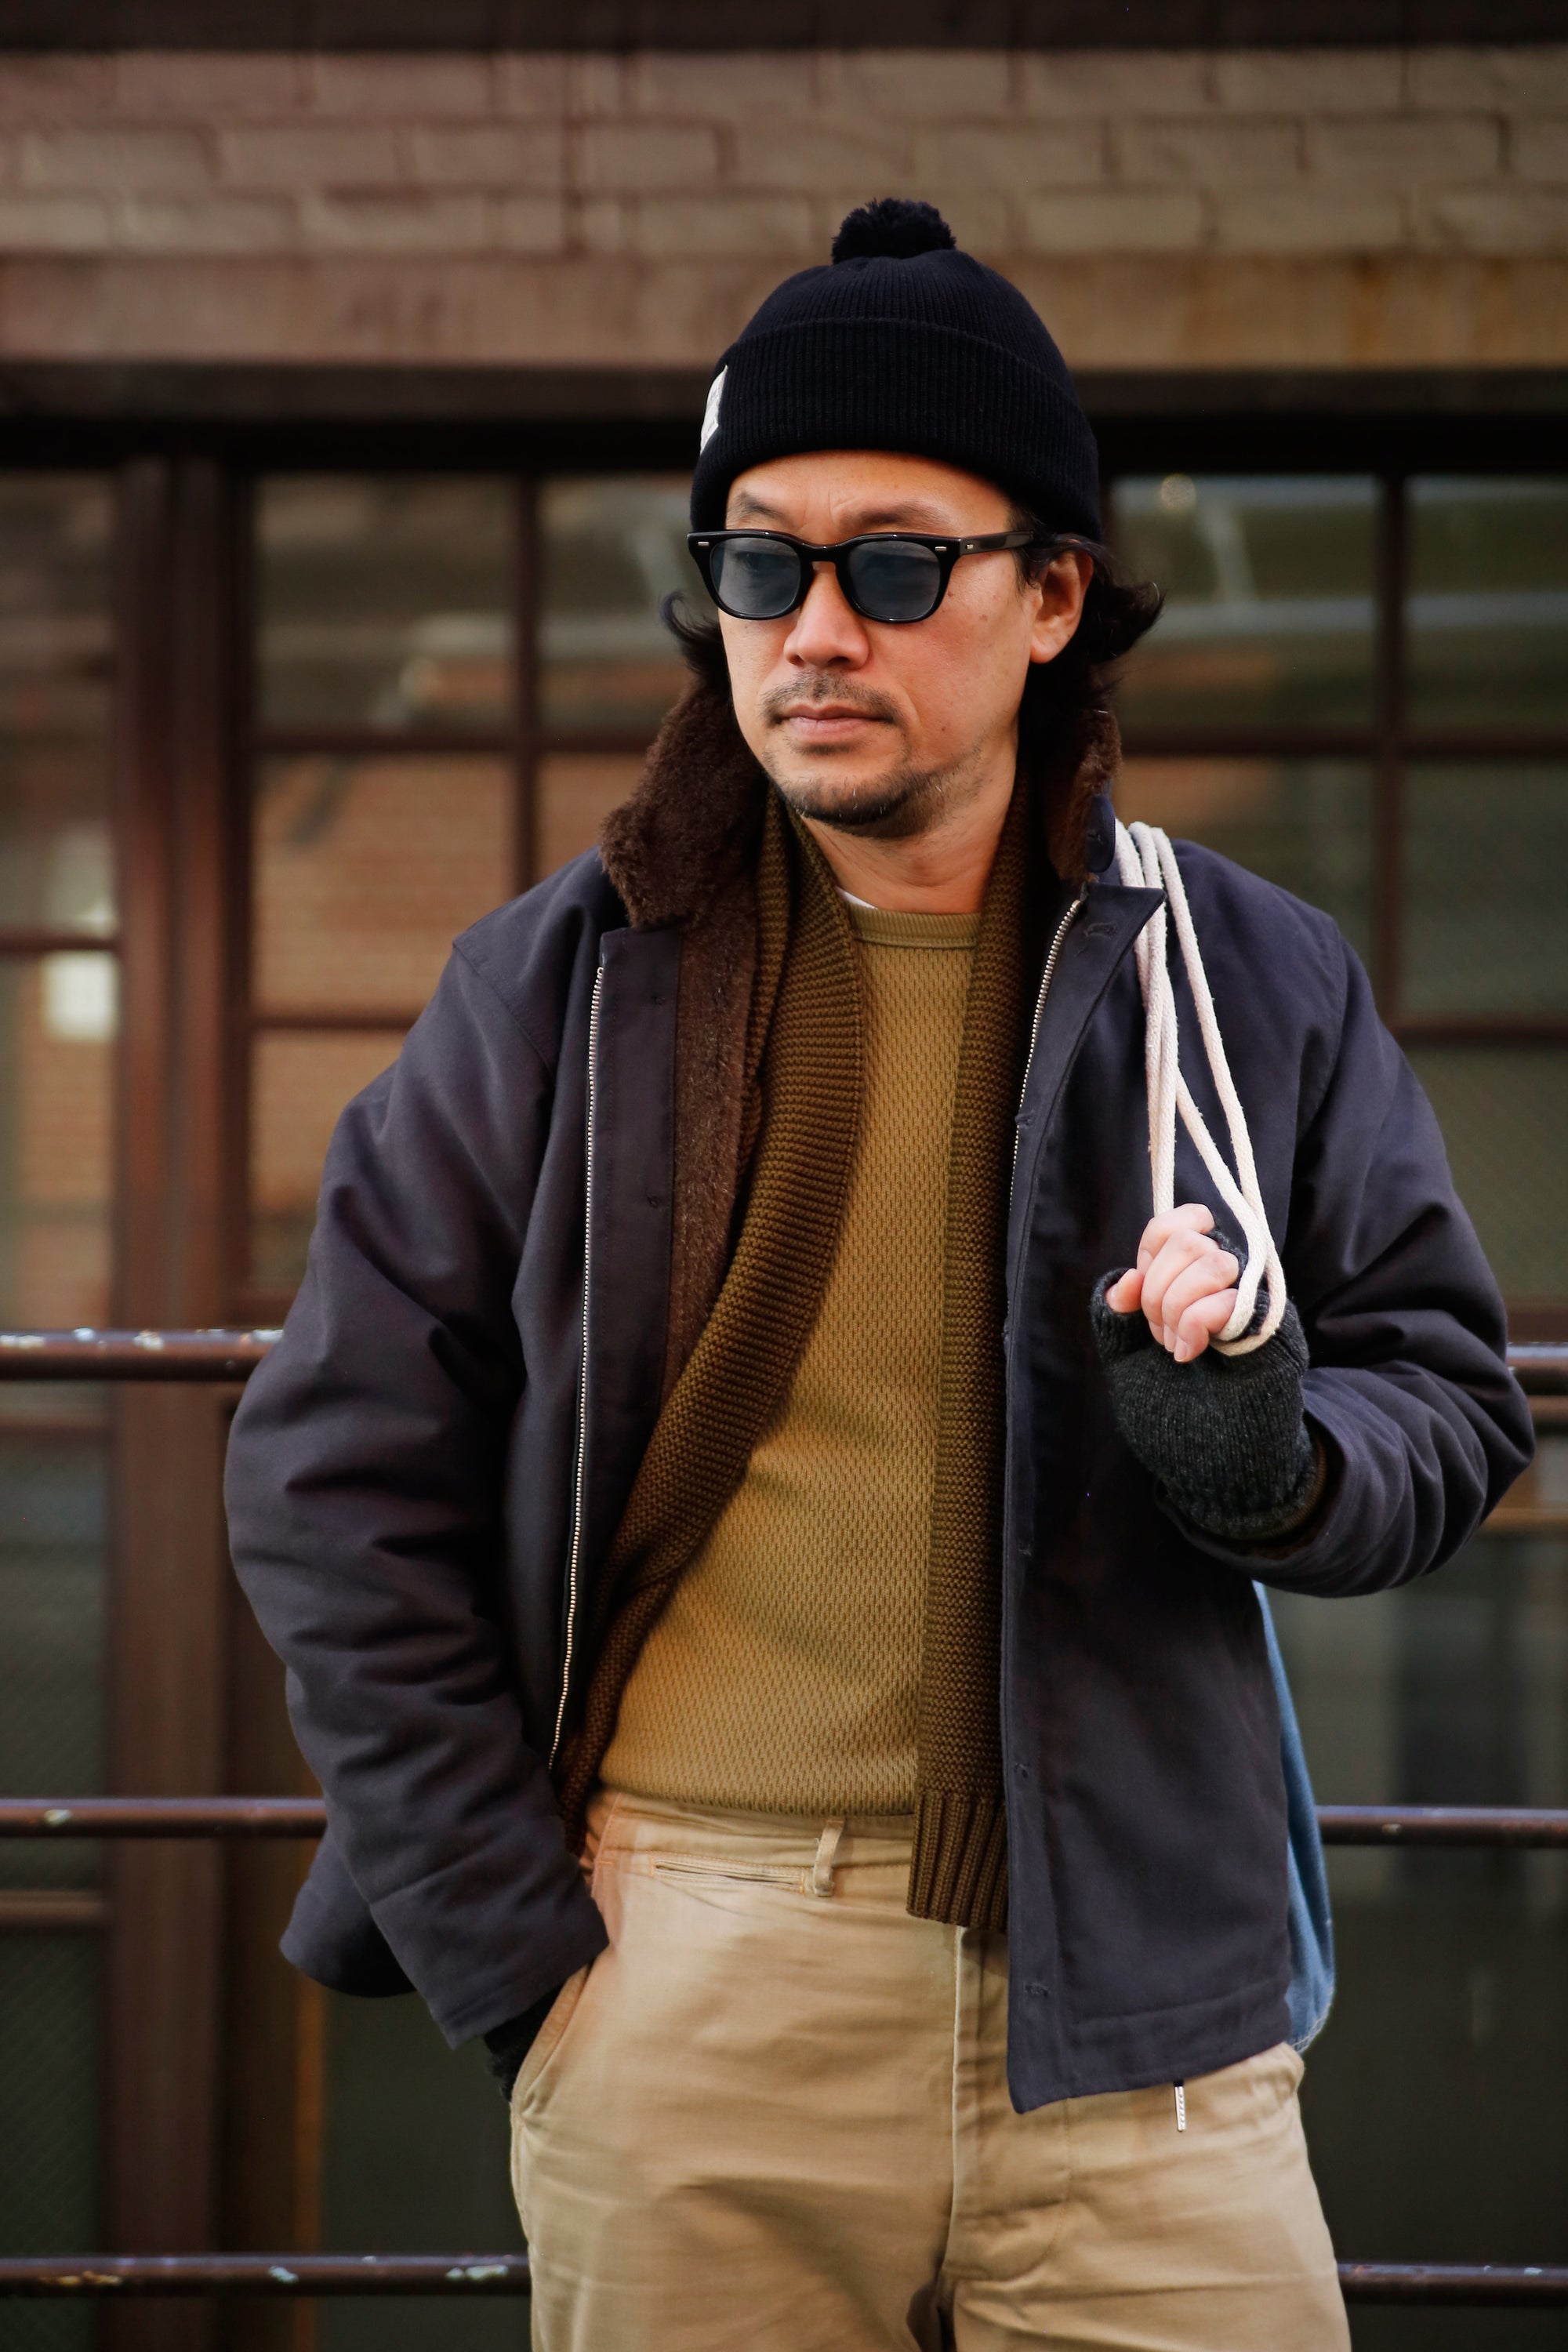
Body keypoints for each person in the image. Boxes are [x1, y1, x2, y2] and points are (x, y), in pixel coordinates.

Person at [224, 199, 1533, 2350]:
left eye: (896, 568)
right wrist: (519, 1952)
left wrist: (1274, 1455)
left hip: (1150, 2011)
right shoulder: (557, 988)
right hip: (687, 1982)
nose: (815, 631)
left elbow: (1448, 1398)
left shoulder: (1243, 977)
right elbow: (328, 1470)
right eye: (761, 567)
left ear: (1052, 598)